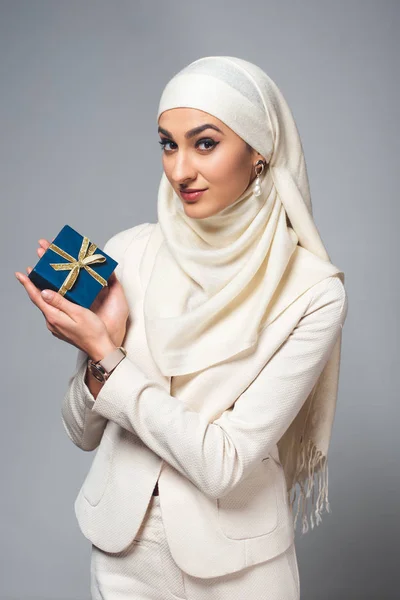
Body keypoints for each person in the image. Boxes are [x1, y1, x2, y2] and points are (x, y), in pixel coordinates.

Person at [15, 56, 348, 599]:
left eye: (205, 143)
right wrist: (100, 354)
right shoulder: (126, 253)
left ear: (259, 152)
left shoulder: (312, 293)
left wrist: (112, 357)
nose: (179, 170)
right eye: (168, 144)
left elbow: (223, 464)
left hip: (240, 569)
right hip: (122, 558)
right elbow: (81, 432)